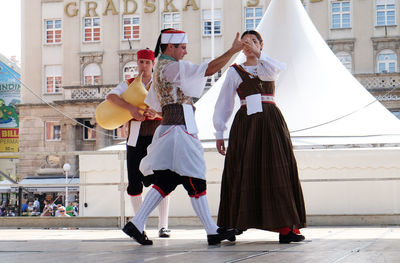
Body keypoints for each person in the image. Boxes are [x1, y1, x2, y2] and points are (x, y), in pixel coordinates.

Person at [122, 28, 243, 246]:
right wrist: (233, 51)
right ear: (171, 47)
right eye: (183, 47)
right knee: (195, 175)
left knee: (166, 180)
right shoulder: (171, 67)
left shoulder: (160, 68)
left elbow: (157, 106)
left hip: (171, 127)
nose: (185, 52)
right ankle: (212, 231)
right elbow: (208, 69)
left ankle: (137, 223)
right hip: (179, 129)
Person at [213, 30, 307, 244]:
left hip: (271, 122)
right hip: (246, 124)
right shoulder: (234, 72)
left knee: (277, 171)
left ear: (261, 45)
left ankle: (286, 227)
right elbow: (224, 103)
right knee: (243, 170)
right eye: (245, 42)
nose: (249, 45)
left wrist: (259, 53)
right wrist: (219, 132)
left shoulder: (267, 66)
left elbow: (274, 72)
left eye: (254, 41)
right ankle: (234, 223)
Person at [107, 48, 171, 238]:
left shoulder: (161, 84)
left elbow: (170, 109)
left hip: (158, 137)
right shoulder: (128, 84)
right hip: (135, 139)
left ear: (153, 64)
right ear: (137, 63)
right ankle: (139, 223)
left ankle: (163, 225)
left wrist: (156, 114)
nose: (144, 66)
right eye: (141, 62)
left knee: (162, 180)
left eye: (147, 62)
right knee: (134, 182)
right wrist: (131, 109)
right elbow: (110, 97)